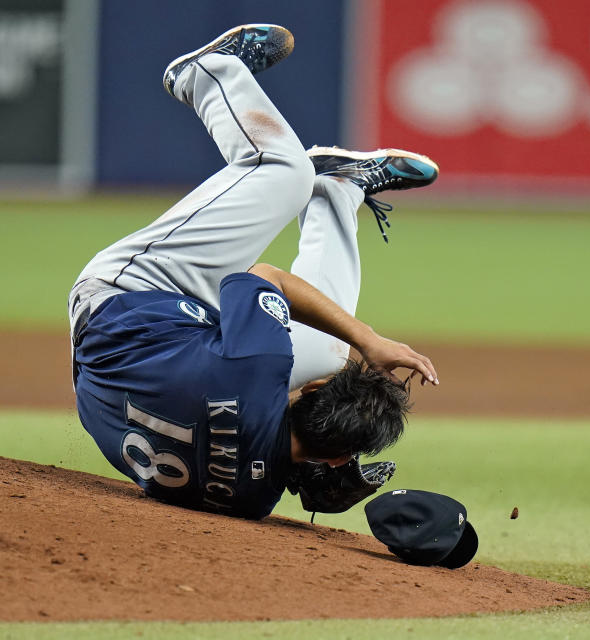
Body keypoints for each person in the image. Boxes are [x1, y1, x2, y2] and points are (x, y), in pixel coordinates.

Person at [68, 24, 441, 519]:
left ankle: (205, 75)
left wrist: (369, 341)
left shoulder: (258, 366)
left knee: (285, 172)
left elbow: (266, 277)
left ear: (303, 394)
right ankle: (339, 188)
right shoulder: (254, 500)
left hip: (126, 295)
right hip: (125, 376)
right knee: (327, 349)